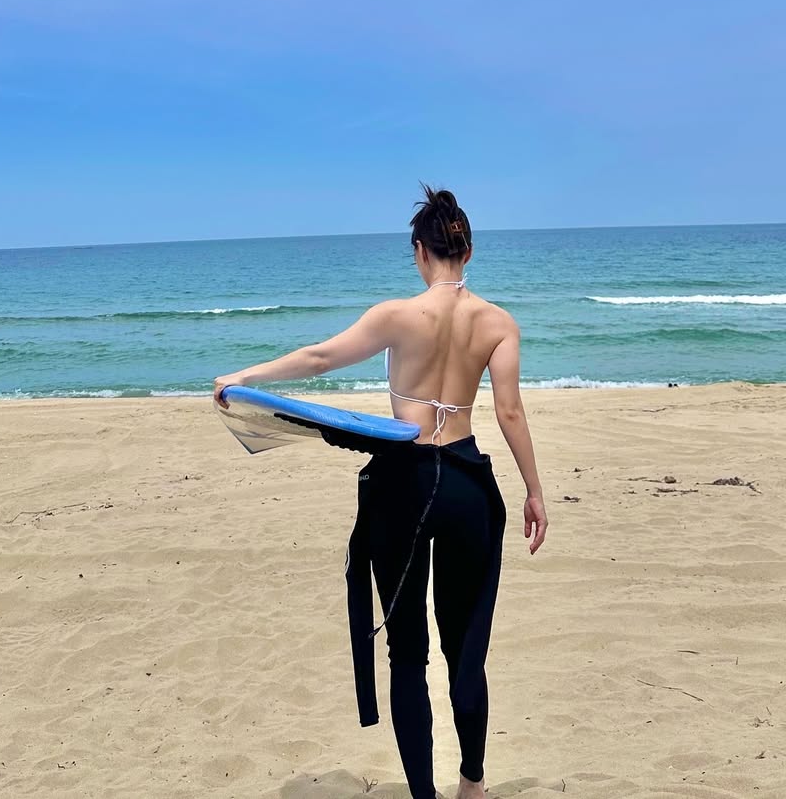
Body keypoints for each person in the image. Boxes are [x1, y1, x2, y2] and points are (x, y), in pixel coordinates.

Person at [213, 186, 547, 799]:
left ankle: (425, 794)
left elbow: (320, 358)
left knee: (408, 653)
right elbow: (510, 412)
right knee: (465, 651)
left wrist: (245, 376)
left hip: (404, 484)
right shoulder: (499, 324)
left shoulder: (397, 316)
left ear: (420, 252)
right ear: (468, 250)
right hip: (467, 483)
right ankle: (473, 785)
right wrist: (534, 491)